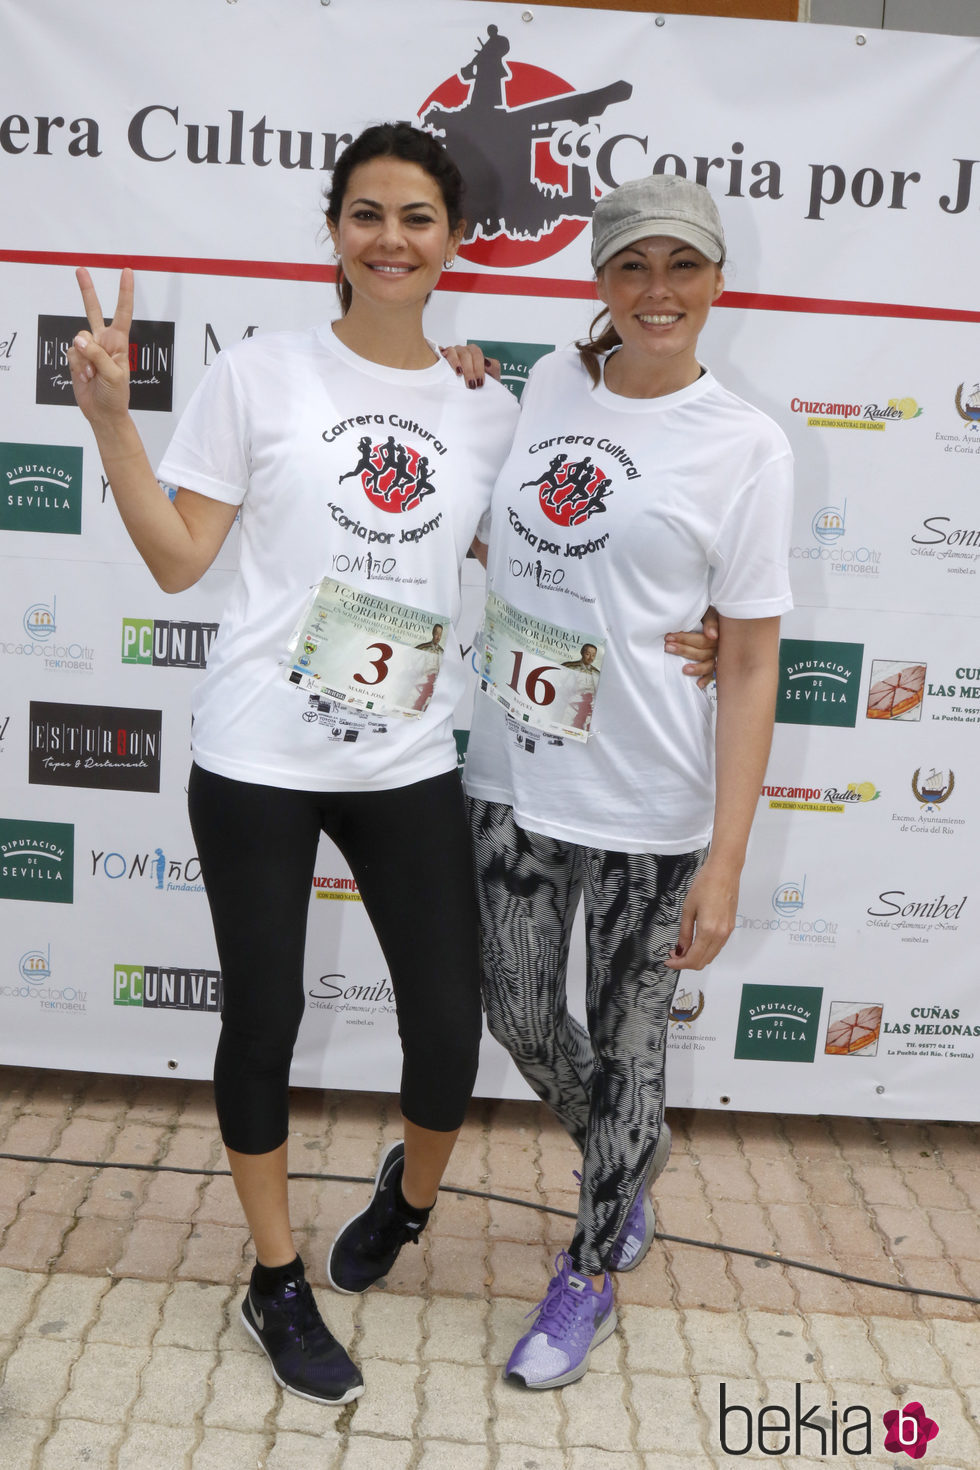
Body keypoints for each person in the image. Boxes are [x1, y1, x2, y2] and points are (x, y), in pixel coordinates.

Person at [66, 122, 522, 1407]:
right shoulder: (261, 375)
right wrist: (113, 421)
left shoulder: (487, 406)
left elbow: (540, 558)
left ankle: (407, 1201)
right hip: (259, 751)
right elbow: (176, 560)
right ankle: (273, 1278)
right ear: (333, 231)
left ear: (451, 240)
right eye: (367, 214)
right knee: (262, 1018)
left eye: (417, 218)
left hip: (406, 761)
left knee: (446, 1032)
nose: (391, 238)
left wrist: (694, 635)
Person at [461, 173, 793, 1389]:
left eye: (681, 266)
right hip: (511, 774)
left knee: (633, 1046)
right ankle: (624, 1147)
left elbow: (751, 658)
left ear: (714, 280)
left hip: (650, 801)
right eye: (631, 266)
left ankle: (591, 1264)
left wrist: (725, 853)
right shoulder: (546, 384)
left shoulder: (744, 444)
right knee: (513, 1012)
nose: (657, 291)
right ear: (599, 280)